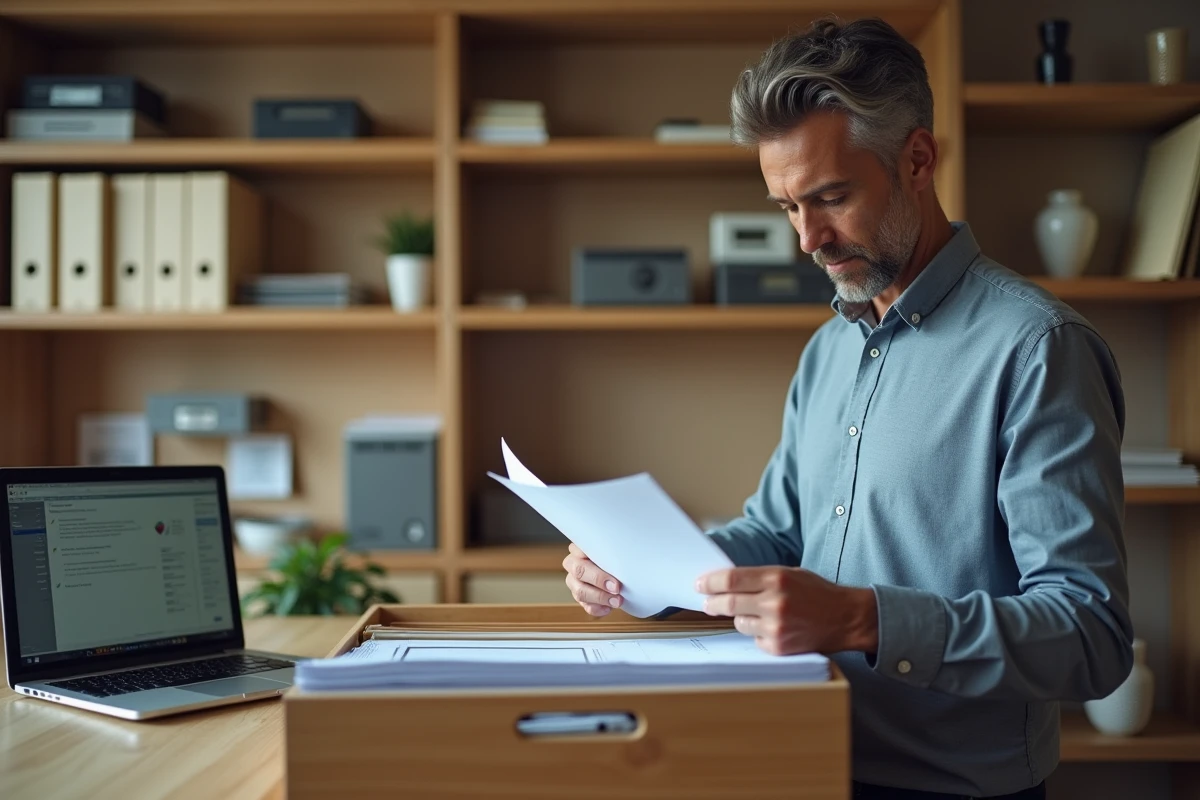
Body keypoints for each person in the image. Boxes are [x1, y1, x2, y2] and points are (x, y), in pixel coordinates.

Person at [561, 16, 1133, 800]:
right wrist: (644, 568)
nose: (808, 239)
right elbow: (777, 533)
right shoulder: (828, 348)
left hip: (952, 789)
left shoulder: (1038, 349)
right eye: (787, 207)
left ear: (918, 160)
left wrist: (864, 620)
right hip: (801, 759)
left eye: (831, 197)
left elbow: (1090, 636)